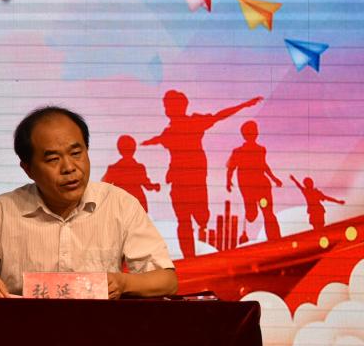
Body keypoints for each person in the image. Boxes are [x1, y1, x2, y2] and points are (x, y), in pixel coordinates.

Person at [0, 106, 177, 299]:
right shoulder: (0, 212)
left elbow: (167, 280)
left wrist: (123, 283)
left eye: (76, 153)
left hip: (100, 334)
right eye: (53, 159)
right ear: (28, 168)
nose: (69, 168)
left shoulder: (120, 205)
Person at [142, 90, 262, 259]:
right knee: (183, 220)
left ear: (181, 106)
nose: (167, 109)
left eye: (169, 105)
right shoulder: (168, 132)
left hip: (196, 180)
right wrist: (143, 143)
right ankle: (189, 257)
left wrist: (244, 105)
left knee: (202, 217)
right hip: (178, 182)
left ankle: (201, 222)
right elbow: (157, 140)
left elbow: (219, 116)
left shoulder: (195, 122)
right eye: (166, 106)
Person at [225, 121, 282, 241]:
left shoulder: (261, 150)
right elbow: (231, 168)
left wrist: (274, 178)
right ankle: (251, 210)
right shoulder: (238, 151)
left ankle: (275, 239)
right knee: (252, 216)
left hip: (262, 186)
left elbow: (264, 165)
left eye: (255, 130)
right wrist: (228, 181)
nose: (254, 133)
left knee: (268, 212)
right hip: (248, 187)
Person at [101, 134, 160, 211]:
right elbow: (147, 185)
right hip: (137, 202)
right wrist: (155, 187)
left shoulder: (113, 168)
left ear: (119, 149)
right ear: (134, 149)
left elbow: (104, 185)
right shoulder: (139, 167)